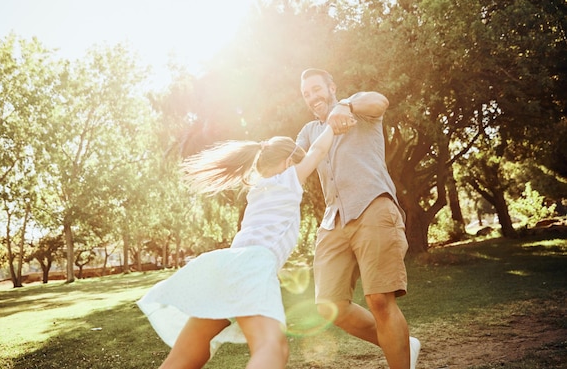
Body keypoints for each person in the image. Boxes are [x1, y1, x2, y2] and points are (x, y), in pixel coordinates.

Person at [137, 122, 350, 369]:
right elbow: (318, 151)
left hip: (228, 264)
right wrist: (332, 126)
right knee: (272, 348)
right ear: (288, 163)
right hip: (254, 265)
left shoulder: (258, 187)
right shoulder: (289, 179)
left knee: (189, 353)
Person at [296, 68, 421, 369]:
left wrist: (346, 105)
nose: (313, 97)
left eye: (317, 89)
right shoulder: (309, 131)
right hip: (333, 221)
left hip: (372, 206)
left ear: (331, 87)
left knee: (379, 299)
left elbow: (380, 100)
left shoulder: (359, 108)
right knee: (330, 306)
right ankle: (403, 344)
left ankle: (400, 357)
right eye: (306, 94)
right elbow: (293, 159)